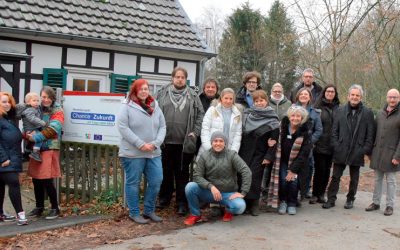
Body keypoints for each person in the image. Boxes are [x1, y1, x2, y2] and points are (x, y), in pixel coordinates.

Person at [156, 67, 204, 215]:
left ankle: (182, 203)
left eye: (182, 77)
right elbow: (153, 112)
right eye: (177, 77)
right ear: (172, 78)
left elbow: (200, 115)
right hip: (165, 142)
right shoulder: (162, 93)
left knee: (182, 174)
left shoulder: (193, 95)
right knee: (165, 172)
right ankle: (164, 199)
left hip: (184, 144)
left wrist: (195, 133)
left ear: (186, 79)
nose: (180, 79)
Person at [117, 79, 166, 224]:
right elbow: (122, 127)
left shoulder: (155, 105)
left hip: (153, 152)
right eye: (141, 89)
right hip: (133, 153)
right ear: (135, 91)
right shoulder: (126, 106)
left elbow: (163, 126)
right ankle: (134, 213)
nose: (144, 91)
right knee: (133, 183)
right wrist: (140, 144)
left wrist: (156, 143)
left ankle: (149, 211)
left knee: (157, 180)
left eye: (146, 89)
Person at [323, 84, 374, 209]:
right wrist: (336, 145)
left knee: (354, 178)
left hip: (358, 149)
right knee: (335, 176)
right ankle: (331, 199)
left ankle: (350, 199)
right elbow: (334, 131)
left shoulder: (367, 113)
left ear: (361, 97)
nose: (355, 97)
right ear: (348, 96)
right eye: (353, 95)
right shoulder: (340, 110)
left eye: (357, 95)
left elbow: (370, 134)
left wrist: (364, 149)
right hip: (341, 148)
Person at [184, 131, 252, 226]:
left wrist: (243, 192)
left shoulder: (232, 155)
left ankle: (227, 210)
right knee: (190, 187)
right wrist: (211, 187)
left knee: (240, 207)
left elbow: (246, 171)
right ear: (212, 142)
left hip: (227, 194)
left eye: (221, 141)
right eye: (215, 141)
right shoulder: (205, 156)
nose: (218, 143)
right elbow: (197, 176)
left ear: (225, 143)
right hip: (209, 193)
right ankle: (195, 214)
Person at [239, 90, 280, 216]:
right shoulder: (247, 115)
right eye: (256, 101)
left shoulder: (273, 118)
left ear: (266, 101)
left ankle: (254, 203)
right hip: (244, 152)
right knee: (243, 175)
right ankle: (244, 203)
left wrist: (269, 156)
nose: (259, 103)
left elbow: (274, 139)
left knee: (255, 176)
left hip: (260, 153)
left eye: (261, 100)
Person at [26, 86, 64, 219]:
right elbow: (28, 120)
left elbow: (53, 129)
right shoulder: (36, 108)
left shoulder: (57, 110)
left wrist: (34, 137)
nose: (45, 100)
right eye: (43, 97)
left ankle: (55, 207)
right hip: (36, 149)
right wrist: (27, 134)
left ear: (52, 98)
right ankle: (39, 207)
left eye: (48, 97)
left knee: (46, 179)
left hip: (49, 147)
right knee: (36, 179)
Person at [267, 106, 312, 215]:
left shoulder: (305, 132)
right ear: (289, 116)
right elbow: (273, 137)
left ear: (302, 118)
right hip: (282, 161)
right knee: (283, 180)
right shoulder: (282, 127)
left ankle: (292, 203)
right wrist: (271, 141)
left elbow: (304, 154)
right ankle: (283, 201)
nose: (295, 118)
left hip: (297, 163)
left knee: (293, 182)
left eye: (298, 116)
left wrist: (293, 170)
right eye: (293, 115)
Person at [366, 89, 400, 216]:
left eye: (395, 97)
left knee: (391, 181)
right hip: (378, 153)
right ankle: (375, 203)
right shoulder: (380, 113)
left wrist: (398, 156)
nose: (392, 100)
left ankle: (390, 206)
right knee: (377, 179)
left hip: (392, 154)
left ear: (399, 99)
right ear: (387, 98)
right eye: (390, 97)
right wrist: (370, 151)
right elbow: (374, 133)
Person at [0, 92, 28, 225]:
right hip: (6, 160)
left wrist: (29, 102)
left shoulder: (7, 118)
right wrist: (3, 158)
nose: (7, 104)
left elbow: (19, 108)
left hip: (11, 157)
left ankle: (0, 214)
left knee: (1, 186)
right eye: (4, 102)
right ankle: (21, 215)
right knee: (14, 183)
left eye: (9, 102)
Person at [310, 84, 340, 204]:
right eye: (328, 91)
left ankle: (322, 194)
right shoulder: (317, 107)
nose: (330, 93)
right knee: (319, 169)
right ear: (324, 92)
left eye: (332, 92)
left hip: (332, 145)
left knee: (327, 170)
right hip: (320, 143)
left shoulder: (338, 108)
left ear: (335, 94)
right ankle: (315, 194)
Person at [294, 88, 322, 199]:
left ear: (310, 97)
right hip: (294, 144)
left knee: (308, 167)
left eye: (306, 94)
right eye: (301, 94)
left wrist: (309, 142)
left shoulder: (315, 113)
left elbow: (319, 130)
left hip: (308, 146)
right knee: (294, 166)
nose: (304, 96)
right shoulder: (292, 109)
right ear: (298, 96)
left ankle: (304, 190)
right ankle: (294, 191)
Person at [199, 88, 242, 157]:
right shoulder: (212, 110)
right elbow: (205, 130)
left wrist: (233, 152)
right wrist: (209, 148)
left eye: (231, 99)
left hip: (227, 152)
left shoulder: (237, 114)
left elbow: (237, 135)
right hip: (209, 151)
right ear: (221, 98)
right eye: (226, 98)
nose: (228, 101)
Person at [17, 92, 47, 162]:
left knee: (31, 142)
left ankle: (27, 152)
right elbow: (32, 119)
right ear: (28, 102)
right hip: (30, 130)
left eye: (37, 101)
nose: (36, 102)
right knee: (40, 138)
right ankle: (35, 152)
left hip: (33, 128)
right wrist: (42, 123)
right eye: (34, 101)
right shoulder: (29, 110)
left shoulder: (35, 108)